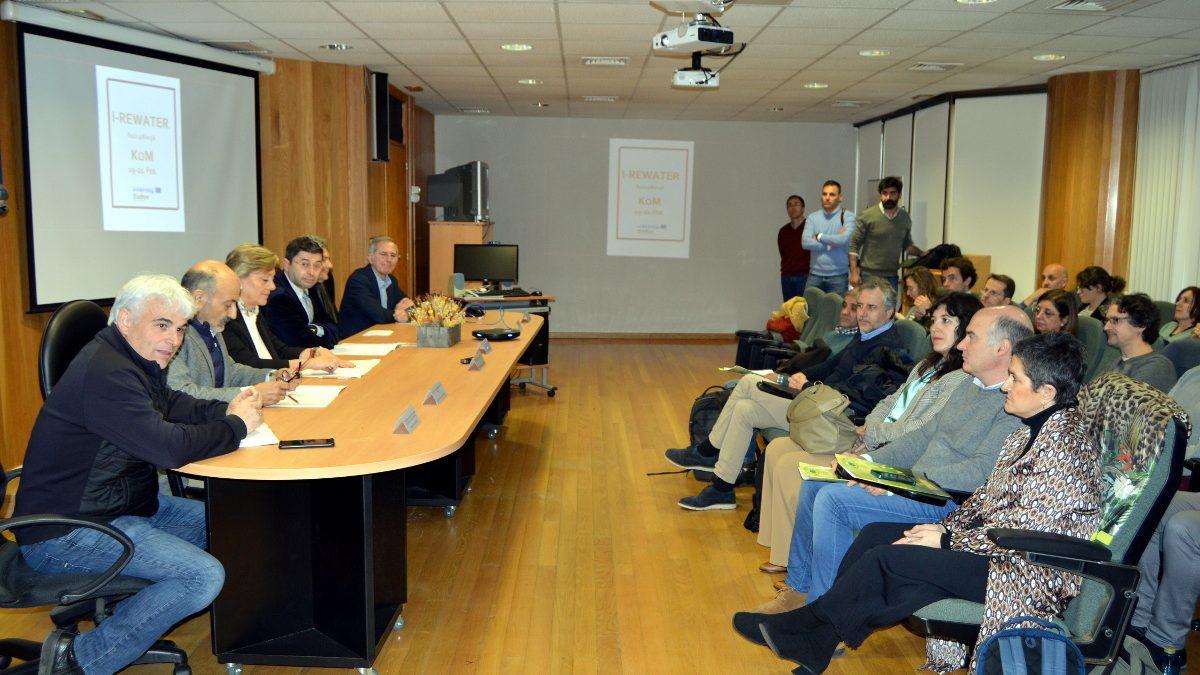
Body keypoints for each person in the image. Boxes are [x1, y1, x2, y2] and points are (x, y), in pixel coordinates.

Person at [734, 332, 1098, 675]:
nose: (1005, 385)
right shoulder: (1027, 431)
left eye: (1015, 379)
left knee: (889, 559)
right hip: (996, 551)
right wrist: (943, 528)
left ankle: (807, 628)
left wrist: (946, 541)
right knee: (876, 536)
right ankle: (817, 639)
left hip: (1026, 572)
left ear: (1046, 391)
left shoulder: (1065, 447)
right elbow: (985, 501)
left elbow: (1026, 533)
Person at [13, 274, 262, 674]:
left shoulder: (132, 359)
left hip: (119, 505)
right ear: (125, 320)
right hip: (66, 531)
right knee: (201, 577)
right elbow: (167, 447)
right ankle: (75, 661)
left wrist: (228, 409)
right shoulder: (107, 374)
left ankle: (125, 622)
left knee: (229, 524)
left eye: (180, 329)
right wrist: (236, 429)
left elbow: (174, 404)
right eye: (162, 325)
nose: (174, 339)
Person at [756, 305, 1032, 611]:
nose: (961, 344)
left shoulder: (1015, 403)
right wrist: (869, 465)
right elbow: (921, 437)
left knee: (834, 501)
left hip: (950, 504)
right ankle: (799, 589)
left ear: (1001, 348)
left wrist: (896, 482)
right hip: (920, 487)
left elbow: (979, 473)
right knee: (814, 487)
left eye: (971, 337)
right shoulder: (969, 384)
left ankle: (822, 611)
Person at [664, 278, 904, 511]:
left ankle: (707, 452)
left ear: (890, 312)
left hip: (836, 423)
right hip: (819, 407)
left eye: (871, 307)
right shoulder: (865, 336)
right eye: (860, 306)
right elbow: (830, 366)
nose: (862, 313)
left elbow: (857, 395)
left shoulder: (887, 348)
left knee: (748, 382)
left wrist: (809, 384)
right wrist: (797, 376)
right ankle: (722, 488)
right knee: (745, 409)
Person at [166, 261, 298, 405]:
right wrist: (250, 394)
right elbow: (181, 392)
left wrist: (272, 376)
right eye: (228, 305)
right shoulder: (173, 336)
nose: (234, 314)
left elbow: (231, 372)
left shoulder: (211, 326)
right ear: (199, 299)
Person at [221, 243, 347, 372]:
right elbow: (250, 364)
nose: (272, 287)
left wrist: (314, 352)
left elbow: (280, 349)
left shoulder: (254, 311)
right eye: (265, 280)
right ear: (237, 279)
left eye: (272, 279)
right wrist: (308, 364)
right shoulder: (225, 318)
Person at [849, 176, 924, 290]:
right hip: (868, 276)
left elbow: (907, 245)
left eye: (892, 193)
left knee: (889, 308)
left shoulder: (904, 217)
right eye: (885, 193)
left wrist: (922, 254)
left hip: (892, 276)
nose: (888, 197)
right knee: (868, 307)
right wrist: (854, 272)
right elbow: (854, 245)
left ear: (899, 195)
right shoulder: (867, 215)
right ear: (880, 195)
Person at [264, 236, 339, 349]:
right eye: (305, 264)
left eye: (317, 265)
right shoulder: (278, 296)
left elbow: (335, 328)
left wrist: (314, 329)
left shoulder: (312, 287)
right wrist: (324, 333)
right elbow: (299, 343)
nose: (312, 272)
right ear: (287, 264)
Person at [339, 236, 415, 338]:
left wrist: (406, 310)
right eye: (383, 254)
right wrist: (398, 314)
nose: (389, 259)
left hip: (383, 337)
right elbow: (378, 315)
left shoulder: (391, 280)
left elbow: (409, 305)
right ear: (371, 258)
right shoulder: (358, 280)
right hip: (356, 340)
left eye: (393, 255)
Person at [1102, 293, 1178, 392]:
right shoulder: (1116, 363)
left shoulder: (1157, 367)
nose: (1106, 327)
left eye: (1115, 320)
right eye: (1107, 321)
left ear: (1141, 325)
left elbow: (1125, 405)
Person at [801, 181, 854, 295]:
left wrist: (819, 236)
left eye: (832, 194)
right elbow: (805, 242)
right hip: (814, 275)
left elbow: (843, 240)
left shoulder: (848, 216)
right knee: (810, 312)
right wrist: (831, 244)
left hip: (838, 277)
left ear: (840, 197)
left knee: (836, 312)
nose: (827, 198)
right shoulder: (812, 217)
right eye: (824, 194)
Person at [778, 194, 810, 301]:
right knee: (789, 312)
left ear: (803, 208)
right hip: (787, 277)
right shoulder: (783, 231)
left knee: (804, 312)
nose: (793, 208)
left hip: (805, 277)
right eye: (789, 205)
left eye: (796, 204)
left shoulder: (810, 227)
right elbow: (783, 253)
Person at [308, 234, 339, 324]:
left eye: (328, 259)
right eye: (324, 259)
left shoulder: (327, 279)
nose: (330, 265)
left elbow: (333, 319)